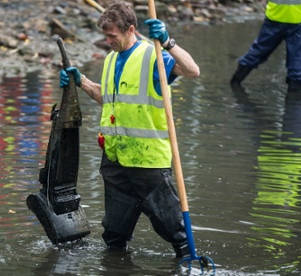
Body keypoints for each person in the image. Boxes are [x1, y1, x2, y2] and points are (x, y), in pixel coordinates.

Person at [59, 1, 200, 258]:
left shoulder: (153, 55)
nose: (107, 41)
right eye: (105, 35)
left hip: (147, 162)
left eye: (112, 36)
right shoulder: (112, 59)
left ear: (130, 30)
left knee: (174, 231)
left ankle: (188, 262)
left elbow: (193, 70)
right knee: (114, 235)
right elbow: (108, 98)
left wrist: (168, 42)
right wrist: (81, 81)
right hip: (115, 159)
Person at [230, 0, 301, 91]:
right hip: (300, 20)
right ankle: (295, 102)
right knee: (297, 66)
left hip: (276, 18)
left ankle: (234, 87)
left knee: (256, 54)